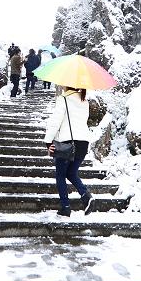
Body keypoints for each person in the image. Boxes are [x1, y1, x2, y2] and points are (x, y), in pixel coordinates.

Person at [44, 86, 93, 216]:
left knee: (60, 175)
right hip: (83, 143)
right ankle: (86, 195)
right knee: (71, 173)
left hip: (68, 143)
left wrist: (48, 142)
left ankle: (65, 207)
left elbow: (55, 122)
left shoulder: (64, 99)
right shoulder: (84, 101)